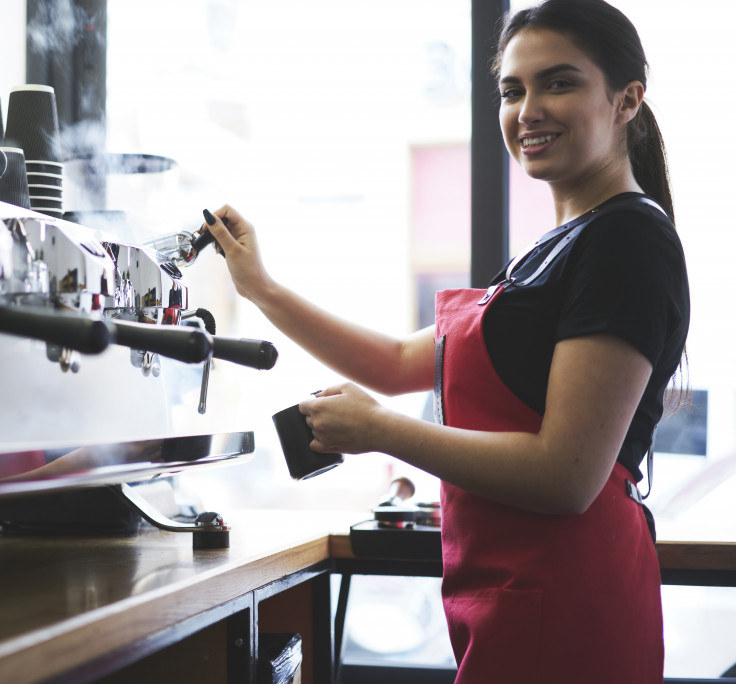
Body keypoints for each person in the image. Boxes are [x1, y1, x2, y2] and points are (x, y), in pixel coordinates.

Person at [198, 0, 690, 681]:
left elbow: (566, 475)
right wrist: (260, 288)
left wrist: (380, 431)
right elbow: (401, 362)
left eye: (560, 82)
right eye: (512, 90)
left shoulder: (626, 242)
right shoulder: (559, 248)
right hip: (521, 591)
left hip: (569, 596)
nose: (528, 110)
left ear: (627, 99)